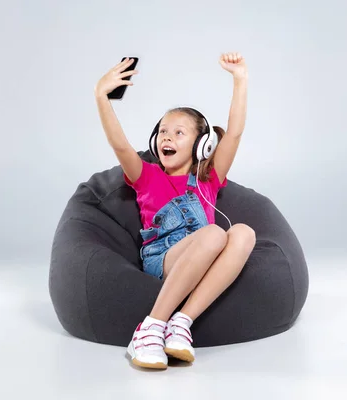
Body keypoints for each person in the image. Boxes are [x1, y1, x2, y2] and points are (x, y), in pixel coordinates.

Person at [93, 52, 256, 370]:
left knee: (244, 233)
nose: (167, 136)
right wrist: (102, 96)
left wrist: (240, 80)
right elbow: (120, 144)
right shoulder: (146, 175)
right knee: (212, 234)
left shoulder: (208, 178)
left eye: (179, 133)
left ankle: (180, 323)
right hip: (163, 259)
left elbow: (234, 134)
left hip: (206, 255)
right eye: (163, 131)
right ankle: (149, 327)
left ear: (202, 145)